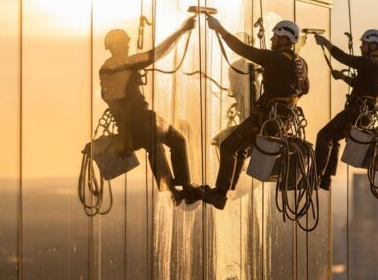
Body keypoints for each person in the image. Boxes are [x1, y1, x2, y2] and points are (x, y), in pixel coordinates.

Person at [202, 16, 310, 209]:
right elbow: (304, 89)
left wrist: (219, 28)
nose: (271, 40)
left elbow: (243, 50)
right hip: (283, 120)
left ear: (284, 39)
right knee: (241, 148)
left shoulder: (274, 58)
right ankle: (226, 188)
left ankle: (220, 193)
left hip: (265, 118)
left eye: (275, 37)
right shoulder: (300, 62)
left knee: (227, 146)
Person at [99, 17, 201, 205]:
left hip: (133, 124)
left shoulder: (108, 69)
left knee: (165, 144)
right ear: (117, 46)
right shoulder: (121, 65)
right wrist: (182, 30)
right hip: (139, 120)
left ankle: (175, 188)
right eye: (125, 44)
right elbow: (157, 53)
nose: (128, 48)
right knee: (168, 143)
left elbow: (107, 97)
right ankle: (181, 187)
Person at [313, 29, 378, 190]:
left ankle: (315, 177)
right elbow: (361, 85)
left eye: (363, 44)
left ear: (373, 45)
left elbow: (344, 58)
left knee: (324, 136)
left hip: (356, 112)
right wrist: (342, 77)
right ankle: (325, 180)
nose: (360, 47)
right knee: (333, 139)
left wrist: (326, 43)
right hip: (363, 113)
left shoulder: (370, 63)